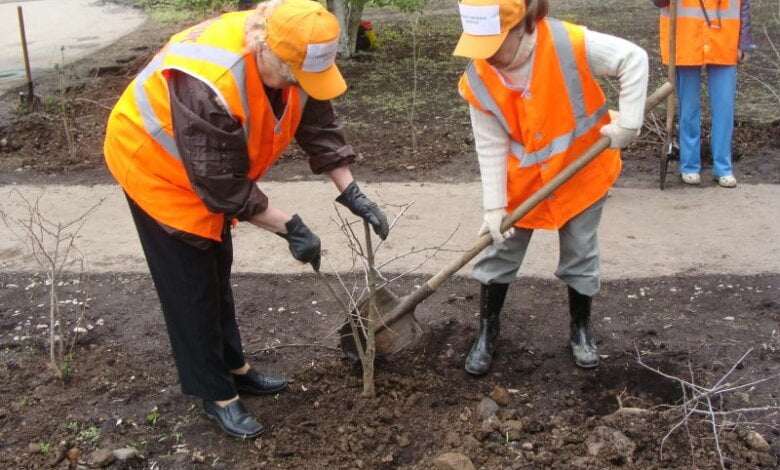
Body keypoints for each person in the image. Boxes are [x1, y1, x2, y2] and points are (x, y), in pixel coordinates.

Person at [103, 0, 389, 438]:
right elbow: (223, 187)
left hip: (208, 170)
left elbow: (316, 120)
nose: (299, 84)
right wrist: (290, 226)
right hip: (156, 168)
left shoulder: (292, 50)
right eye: (294, 75)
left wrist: (350, 190)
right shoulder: (209, 82)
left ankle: (235, 367)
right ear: (265, 51)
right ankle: (216, 394)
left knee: (217, 270)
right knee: (191, 288)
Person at [453, 0, 648, 374]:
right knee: (499, 251)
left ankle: (580, 329)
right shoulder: (479, 77)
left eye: (492, 44)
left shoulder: (566, 43)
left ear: (522, 24)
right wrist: (495, 208)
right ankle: (487, 330)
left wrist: (630, 123)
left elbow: (633, 58)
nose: (486, 56)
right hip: (524, 182)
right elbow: (490, 144)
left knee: (580, 251)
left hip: (582, 171)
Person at [651, 0, 757, 188]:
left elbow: (743, 4)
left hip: (724, 41)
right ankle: (689, 166)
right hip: (685, 41)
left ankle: (723, 168)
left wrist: (745, 42)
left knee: (724, 109)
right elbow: (659, 3)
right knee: (689, 109)